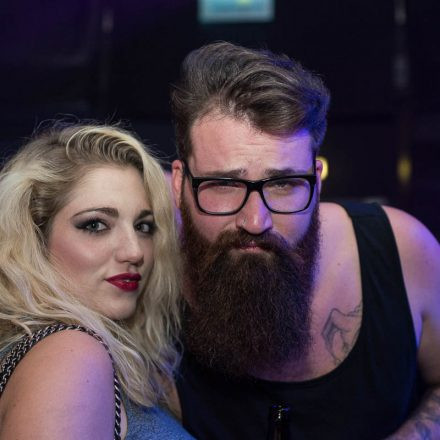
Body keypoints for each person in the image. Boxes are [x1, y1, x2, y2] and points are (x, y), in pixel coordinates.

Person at [170, 41, 440, 439]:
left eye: (283, 184)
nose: (256, 221)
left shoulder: (401, 250)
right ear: (180, 183)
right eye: (225, 184)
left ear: (315, 179)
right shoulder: (147, 279)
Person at [0, 123, 194, 440]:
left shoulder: (133, 364)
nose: (134, 251)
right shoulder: (70, 355)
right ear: (35, 237)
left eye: (144, 227)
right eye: (95, 225)